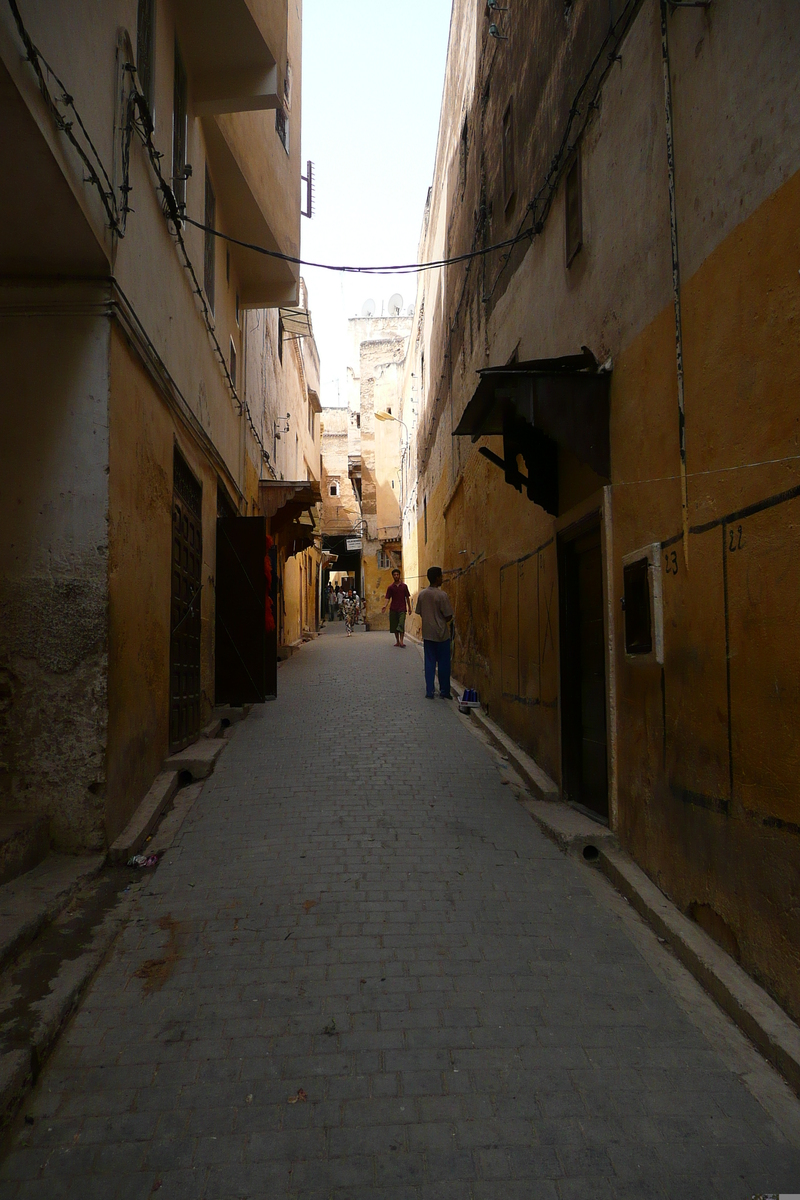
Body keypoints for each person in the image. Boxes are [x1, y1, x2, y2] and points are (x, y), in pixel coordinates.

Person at [415, 566, 454, 699]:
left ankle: (429, 690)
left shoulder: (422, 594)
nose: (442, 578)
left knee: (429, 662)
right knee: (443, 663)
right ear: (437, 578)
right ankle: (444, 691)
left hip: (428, 633)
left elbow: (419, 612)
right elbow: (448, 615)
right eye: (441, 576)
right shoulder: (442, 595)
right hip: (442, 634)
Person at [382, 567, 412, 648]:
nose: (396, 576)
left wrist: (409, 608)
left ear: (399, 575)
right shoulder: (390, 587)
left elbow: (407, 597)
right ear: (392, 576)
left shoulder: (404, 586)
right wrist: (385, 606)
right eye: (394, 575)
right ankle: (397, 641)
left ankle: (402, 641)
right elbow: (387, 597)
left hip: (402, 608)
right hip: (393, 608)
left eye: (397, 574)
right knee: (395, 626)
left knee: (401, 624)